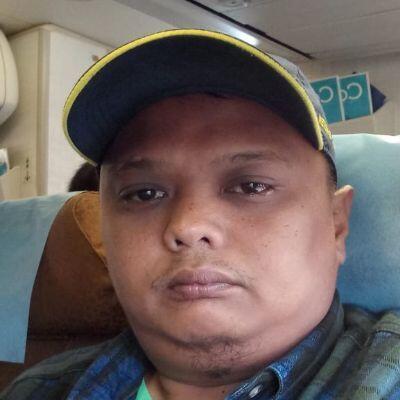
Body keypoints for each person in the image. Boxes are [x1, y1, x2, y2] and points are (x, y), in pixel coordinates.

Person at [2, 29, 399, 400]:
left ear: (336, 225)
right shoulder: (40, 389)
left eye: (251, 186)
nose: (188, 226)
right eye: (144, 193)